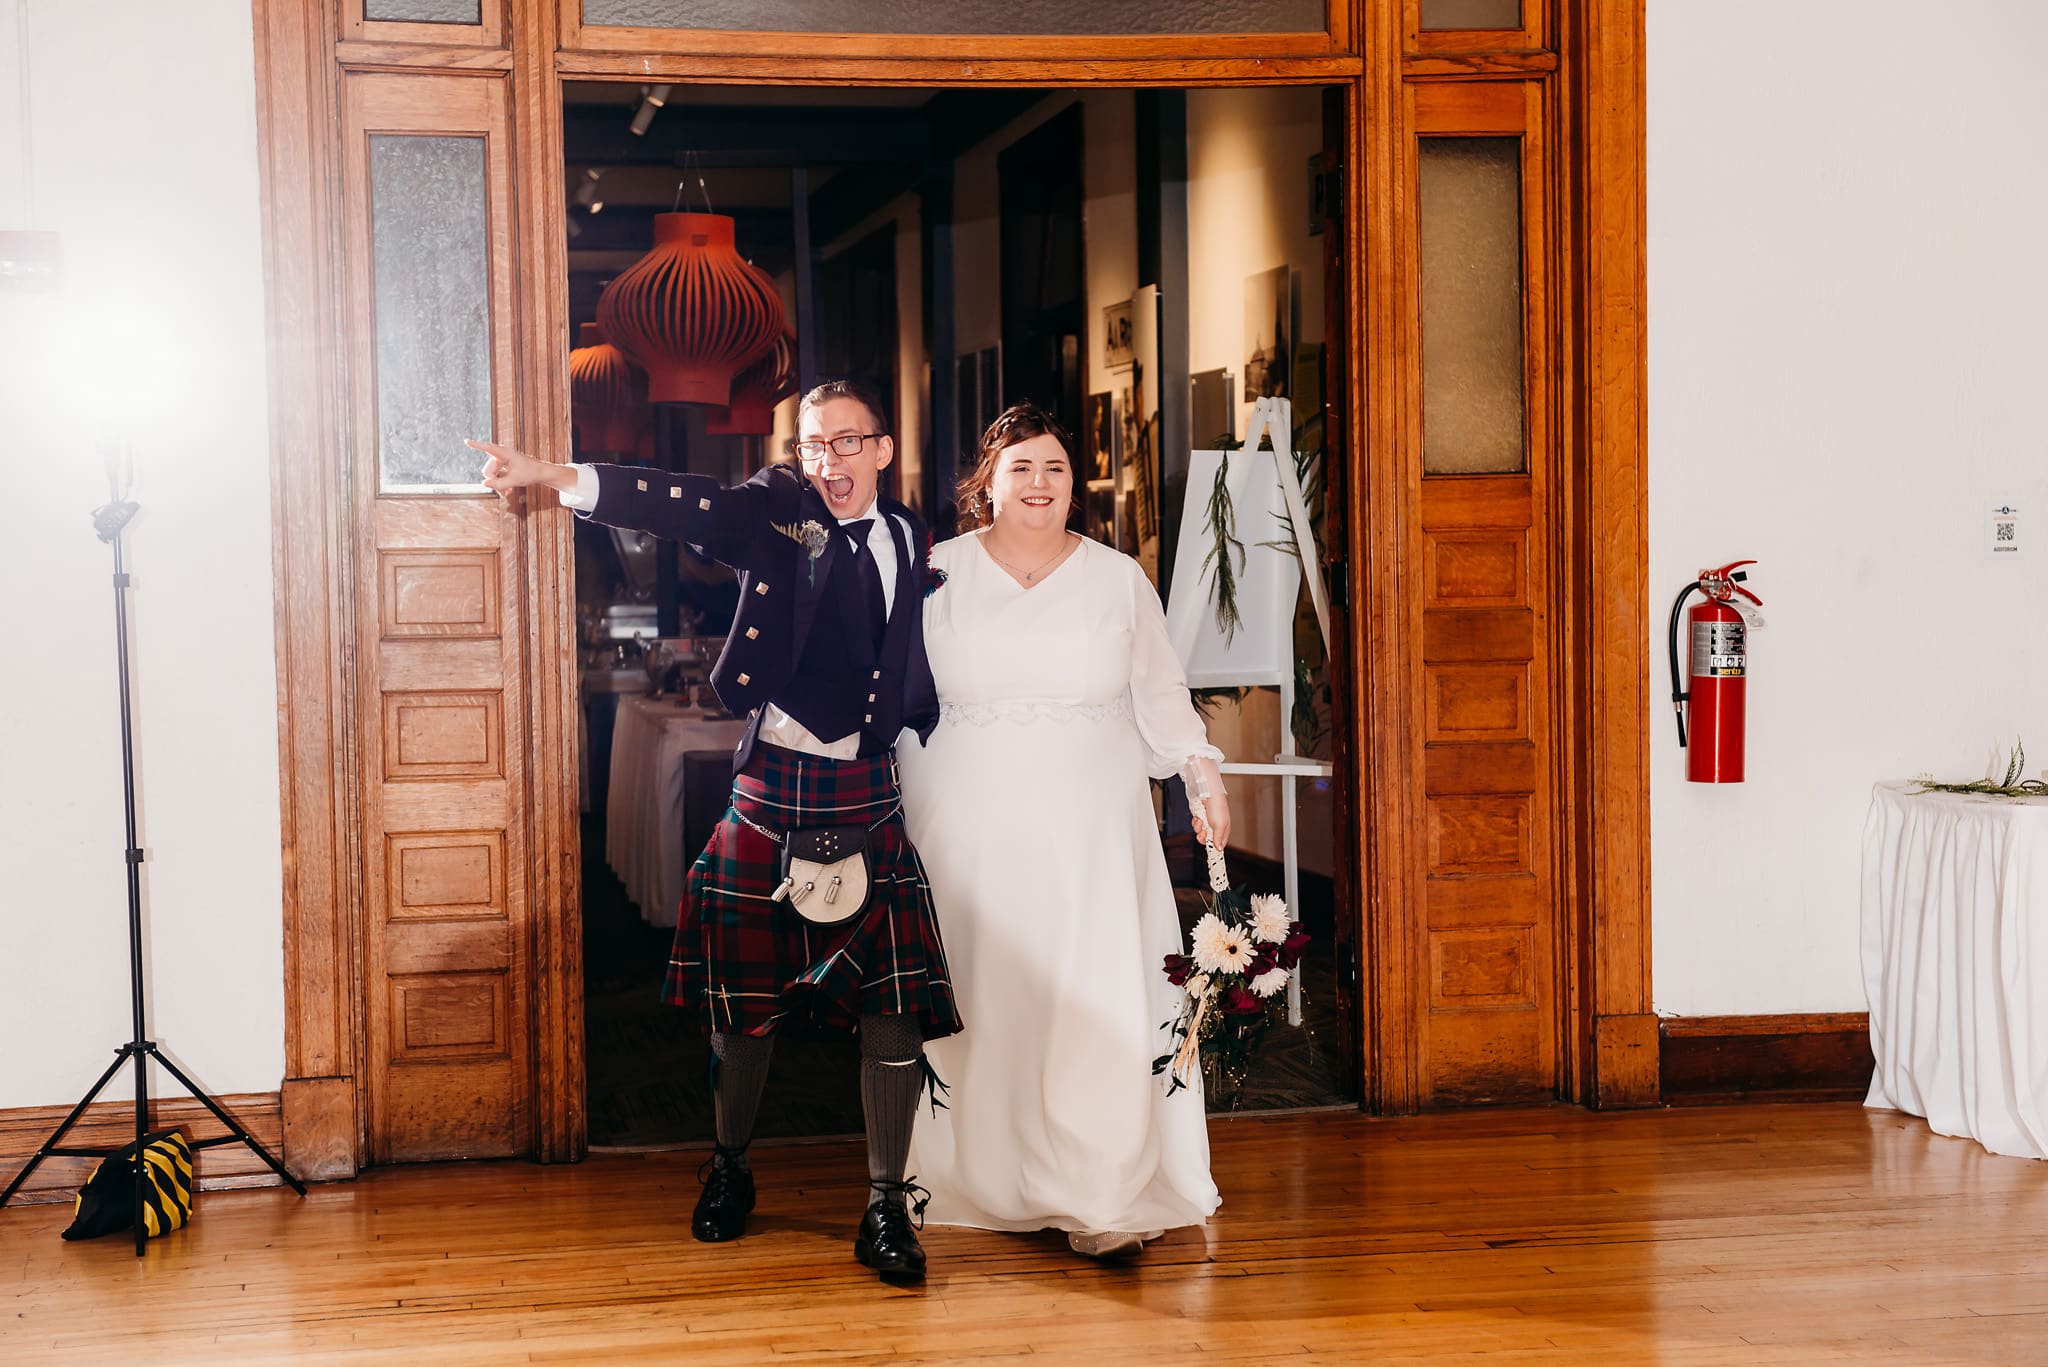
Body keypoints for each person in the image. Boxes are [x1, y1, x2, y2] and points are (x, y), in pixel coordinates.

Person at [468, 380, 957, 1284]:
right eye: (815, 445)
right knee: (745, 1006)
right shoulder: (774, 511)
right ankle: (730, 1169)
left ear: (884, 451)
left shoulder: (910, 537)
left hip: (866, 788)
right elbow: (676, 501)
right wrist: (553, 476)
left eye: (849, 444)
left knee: (895, 1010)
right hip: (772, 785)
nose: (830, 463)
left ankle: (888, 1207)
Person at [898, 401, 1231, 1261]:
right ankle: (978, 1172)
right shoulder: (933, 572)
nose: (1039, 484)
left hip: (1090, 827)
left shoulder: (1119, 578)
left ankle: (1100, 1188)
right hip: (965, 826)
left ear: (1072, 483)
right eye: (1021, 469)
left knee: (1093, 995)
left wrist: (1201, 776)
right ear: (988, 485)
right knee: (987, 997)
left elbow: (1161, 697)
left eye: (1053, 468)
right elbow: (892, 700)